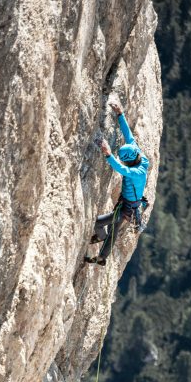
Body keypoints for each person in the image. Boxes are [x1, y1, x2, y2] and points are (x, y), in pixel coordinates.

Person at [85, 99, 149, 267]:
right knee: (112, 229)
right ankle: (101, 252)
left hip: (127, 208)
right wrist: (120, 114)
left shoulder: (136, 172)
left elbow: (122, 169)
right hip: (128, 204)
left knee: (101, 224)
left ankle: (101, 244)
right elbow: (128, 135)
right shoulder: (140, 157)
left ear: (129, 161)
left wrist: (107, 153)